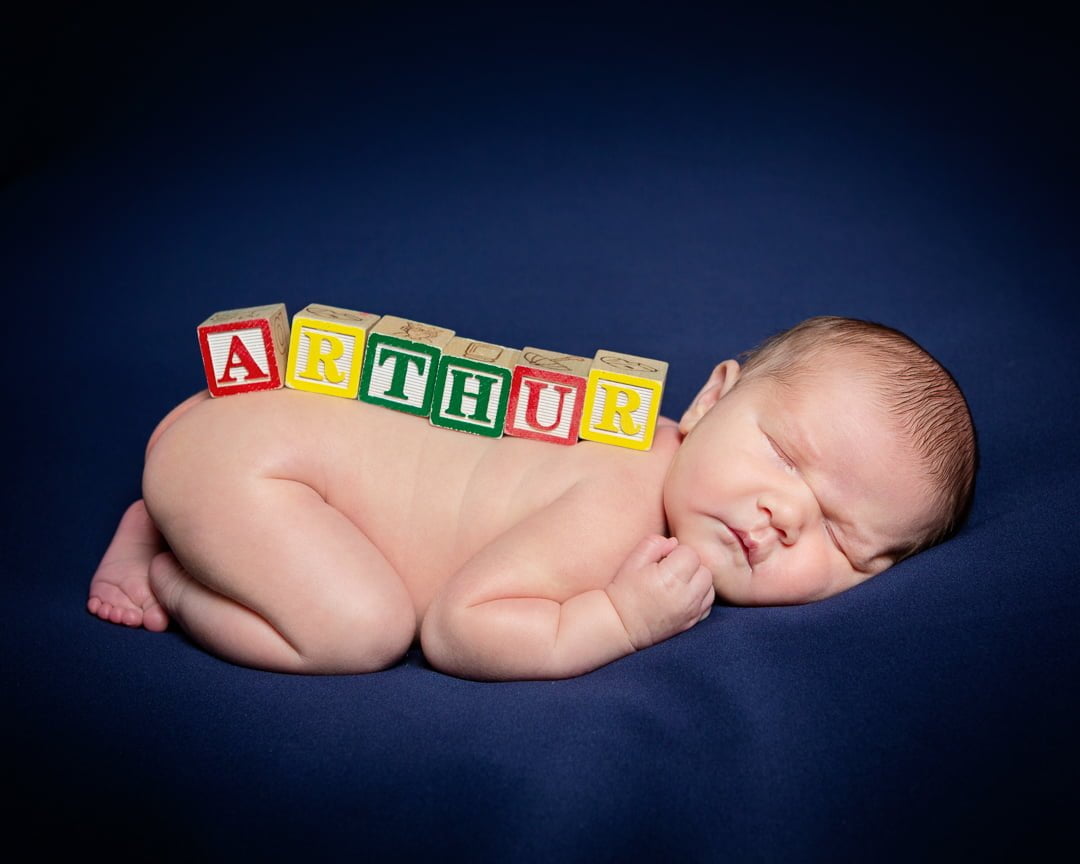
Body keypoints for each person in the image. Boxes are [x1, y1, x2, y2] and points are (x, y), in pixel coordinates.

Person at [87, 316, 977, 680]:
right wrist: (618, 618)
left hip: (247, 432)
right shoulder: (619, 495)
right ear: (709, 402)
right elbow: (460, 626)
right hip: (258, 463)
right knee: (359, 629)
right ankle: (172, 566)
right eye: (784, 456)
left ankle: (169, 516)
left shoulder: (640, 448)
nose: (786, 518)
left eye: (843, 541)